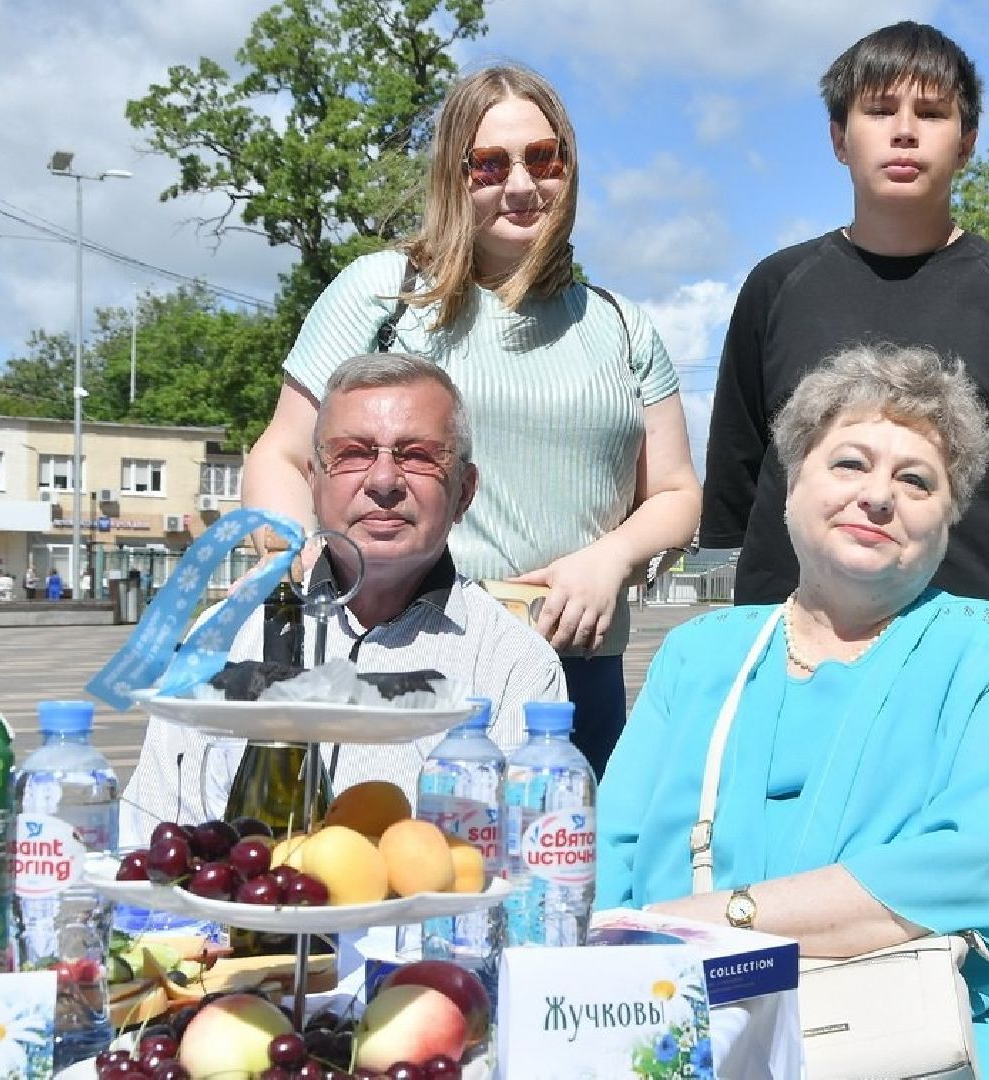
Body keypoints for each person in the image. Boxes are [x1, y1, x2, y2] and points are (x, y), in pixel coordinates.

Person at [600, 344, 989, 1076]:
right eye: (850, 463)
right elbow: (614, 859)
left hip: (933, 1040)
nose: (879, 496)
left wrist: (725, 917)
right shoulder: (698, 654)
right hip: (685, 1032)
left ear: (947, 520)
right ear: (793, 486)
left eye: (916, 481)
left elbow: (988, 861)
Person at [242, 64, 701, 777]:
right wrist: (301, 551)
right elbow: (279, 455)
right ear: (454, 178)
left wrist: (610, 558)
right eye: (489, 165)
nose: (521, 185)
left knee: (558, 882)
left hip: (576, 674)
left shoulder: (621, 325)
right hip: (404, 660)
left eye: (544, 159)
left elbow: (676, 493)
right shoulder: (383, 294)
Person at [701, 21, 989, 623]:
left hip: (983, 632)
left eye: (934, 113)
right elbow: (737, 480)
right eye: (880, 109)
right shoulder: (777, 287)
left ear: (967, 143)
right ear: (839, 138)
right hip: (800, 637)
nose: (906, 132)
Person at [122, 353, 568, 840]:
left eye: (417, 455)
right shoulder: (228, 635)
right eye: (353, 453)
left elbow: (515, 877)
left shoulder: (514, 666)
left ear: (464, 491)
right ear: (313, 482)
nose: (382, 481)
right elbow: (150, 836)